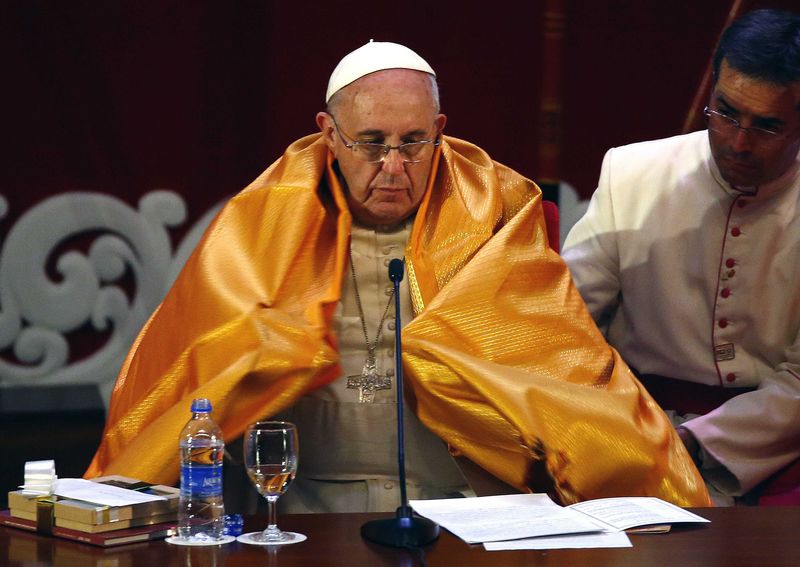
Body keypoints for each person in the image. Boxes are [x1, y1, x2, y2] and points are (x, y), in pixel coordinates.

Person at [87, 41, 709, 511]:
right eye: (370, 142)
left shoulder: (493, 212)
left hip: (465, 505)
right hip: (306, 507)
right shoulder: (262, 225)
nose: (393, 166)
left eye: (413, 142)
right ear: (327, 134)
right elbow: (194, 370)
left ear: (440, 132)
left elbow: (560, 367)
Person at [562, 9, 800, 506]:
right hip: (632, 427)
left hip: (774, 450)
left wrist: (692, 441)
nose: (737, 141)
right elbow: (566, 326)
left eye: (766, 126)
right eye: (727, 112)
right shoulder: (633, 173)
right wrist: (614, 426)